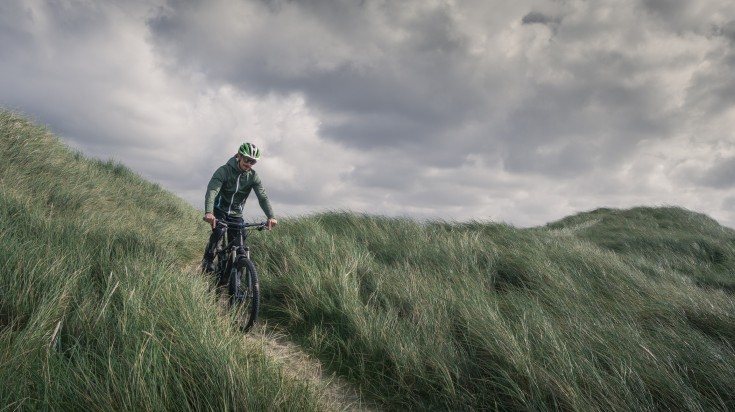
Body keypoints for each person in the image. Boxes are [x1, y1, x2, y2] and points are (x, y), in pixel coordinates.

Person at [201, 142, 278, 273]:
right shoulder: (224, 171)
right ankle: (207, 258)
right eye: (247, 159)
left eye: (253, 162)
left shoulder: (253, 177)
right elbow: (212, 191)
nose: (249, 164)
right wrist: (209, 212)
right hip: (220, 210)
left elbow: (262, 197)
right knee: (219, 231)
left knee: (240, 247)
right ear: (239, 156)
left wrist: (271, 216)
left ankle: (232, 280)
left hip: (236, 214)